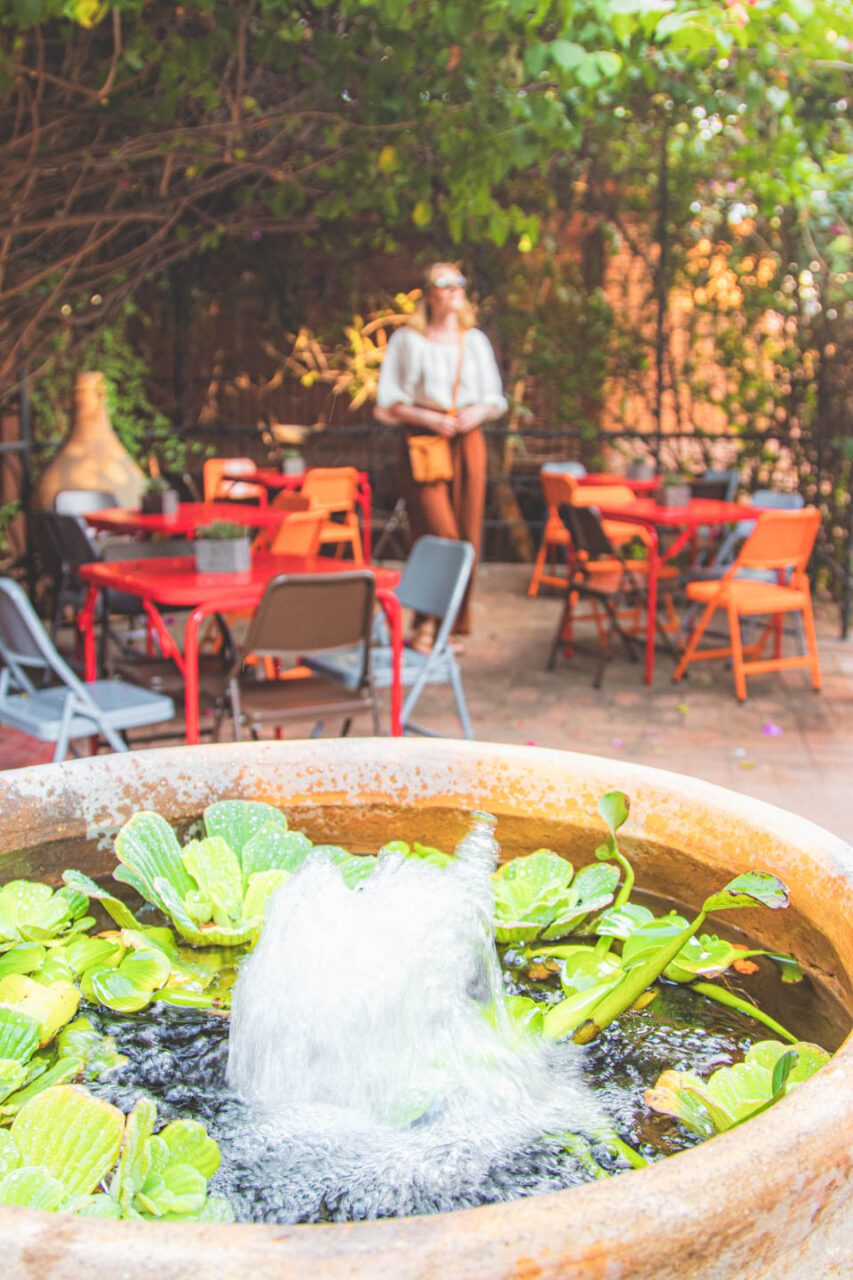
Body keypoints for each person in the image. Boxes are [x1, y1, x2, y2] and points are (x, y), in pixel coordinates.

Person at [375, 262, 507, 652]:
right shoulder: (407, 340)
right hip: (422, 442)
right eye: (444, 283)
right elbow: (388, 401)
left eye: (459, 283)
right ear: (429, 293)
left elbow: (495, 399)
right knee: (438, 533)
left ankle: (444, 625)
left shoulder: (475, 341)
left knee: (465, 535)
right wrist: (429, 418)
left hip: (468, 441)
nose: (453, 290)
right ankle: (427, 622)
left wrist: (475, 414)